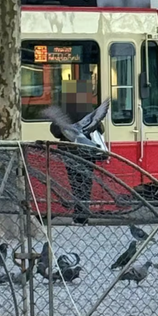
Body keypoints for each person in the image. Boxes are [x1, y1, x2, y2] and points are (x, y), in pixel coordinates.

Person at [48, 81, 104, 225]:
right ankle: (82, 215)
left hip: (69, 152)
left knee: (75, 183)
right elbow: (100, 128)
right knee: (86, 183)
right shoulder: (87, 110)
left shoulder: (64, 111)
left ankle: (78, 213)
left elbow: (54, 131)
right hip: (87, 153)